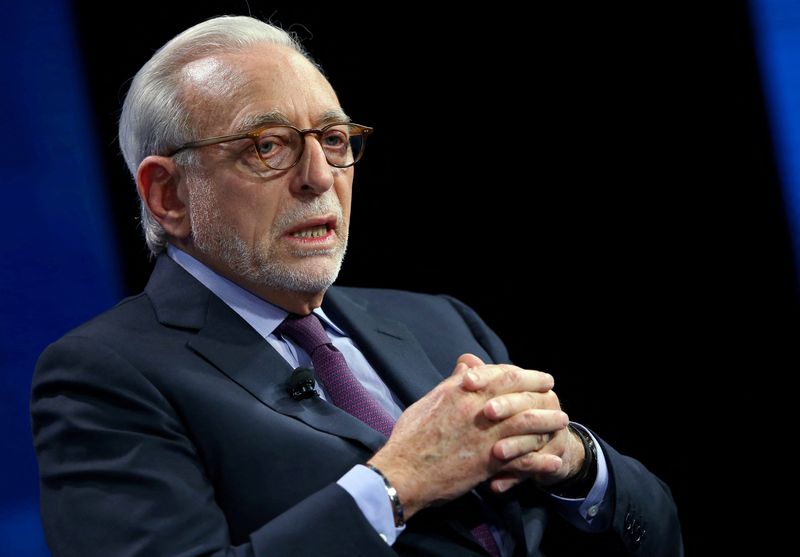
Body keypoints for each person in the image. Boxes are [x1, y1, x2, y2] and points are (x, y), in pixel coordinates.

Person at [30, 15, 682, 557]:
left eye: (335, 138)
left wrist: (577, 463)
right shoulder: (106, 374)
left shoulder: (443, 324)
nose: (320, 176)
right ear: (168, 194)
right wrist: (397, 483)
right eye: (267, 146)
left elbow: (660, 536)